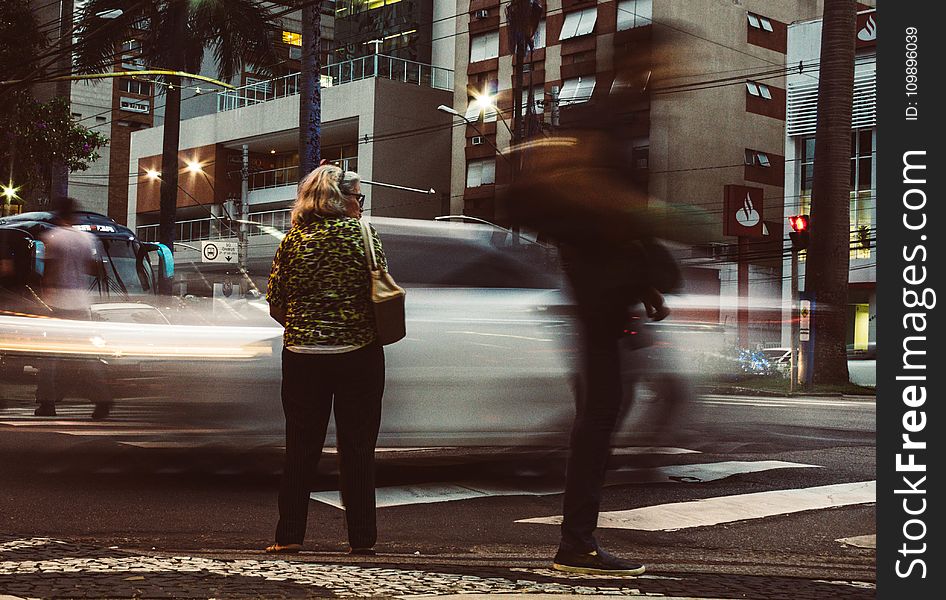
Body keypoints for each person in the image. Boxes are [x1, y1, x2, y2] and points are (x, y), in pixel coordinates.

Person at [499, 130, 682, 576]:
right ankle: (576, 543)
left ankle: (578, 540)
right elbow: (606, 248)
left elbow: (614, 249)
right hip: (599, 325)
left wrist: (644, 286)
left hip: (606, 323)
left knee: (597, 424)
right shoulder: (577, 201)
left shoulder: (579, 206)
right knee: (595, 426)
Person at [265, 165, 385, 555]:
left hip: (302, 357)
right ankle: (362, 539)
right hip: (359, 355)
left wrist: (307, 327)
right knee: (357, 446)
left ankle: (289, 536)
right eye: (358, 197)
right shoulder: (363, 235)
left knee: (301, 445)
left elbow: (276, 302)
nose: (361, 205)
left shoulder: (293, 241)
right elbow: (380, 288)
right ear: (340, 198)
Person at [34, 196, 113, 420]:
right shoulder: (87, 239)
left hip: (58, 304)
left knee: (49, 357)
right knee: (85, 356)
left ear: (58, 214)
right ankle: (102, 399)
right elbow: (94, 270)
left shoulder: (53, 238)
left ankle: (47, 403)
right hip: (80, 305)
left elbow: (48, 273)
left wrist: (44, 300)